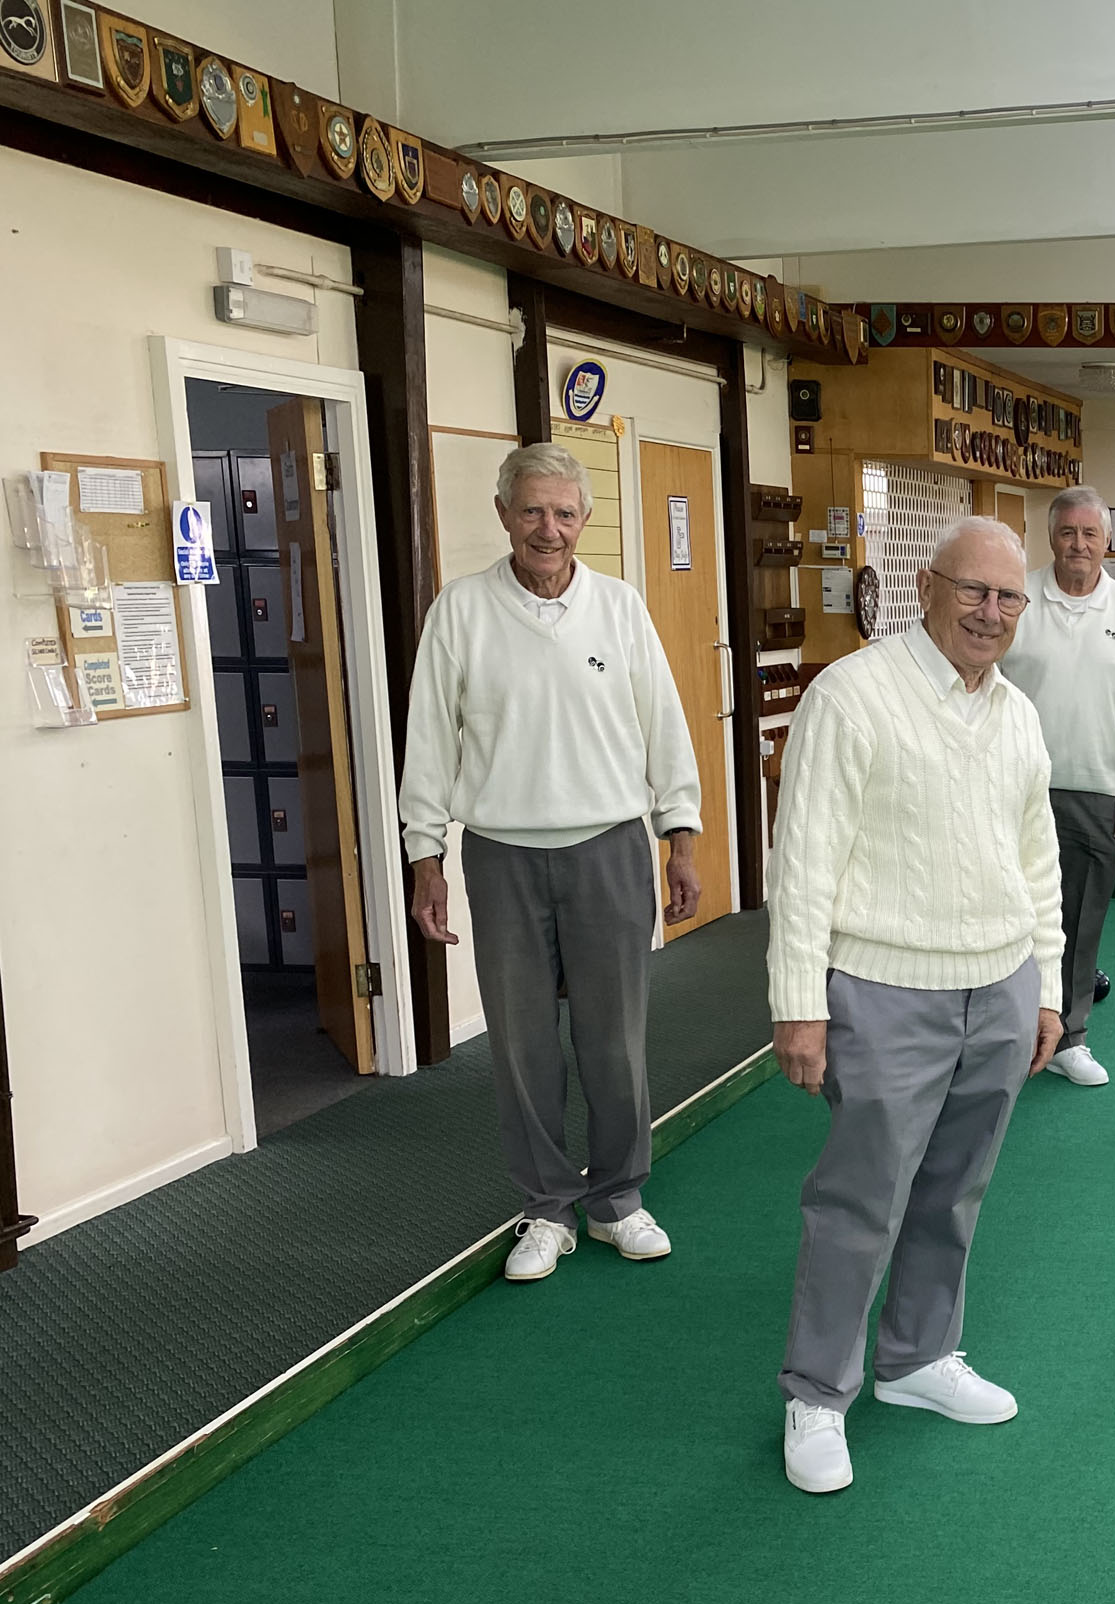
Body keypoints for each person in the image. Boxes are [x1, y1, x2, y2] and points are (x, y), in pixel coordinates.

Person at [767, 517, 1063, 1496]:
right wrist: (797, 1001)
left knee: (954, 1190)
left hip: (1001, 983)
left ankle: (917, 1359)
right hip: (885, 988)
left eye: (1007, 597)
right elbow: (804, 861)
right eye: (972, 591)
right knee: (859, 1201)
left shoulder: (1017, 712)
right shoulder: (850, 696)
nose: (990, 612)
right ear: (926, 588)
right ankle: (817, 1395)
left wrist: (1048, 989)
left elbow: (1037, 861)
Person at [401, 442, 702, 1283]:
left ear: (585, 520)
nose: (549, 528)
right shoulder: (459, 611)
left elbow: (665, 726)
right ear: (503, 514)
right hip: (501, 851)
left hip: (608, 846)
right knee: (523, 1043)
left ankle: (617, 1200)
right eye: (532, 510)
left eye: (564, 512)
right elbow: (428, 739)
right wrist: (425, 854)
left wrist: (681, 833)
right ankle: (543, 1208)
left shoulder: (620, 607)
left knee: (615, 1040)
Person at [998, 485, 1115, 1087]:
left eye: (1089, 534)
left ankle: (1070, 1037)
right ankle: (1005, 1035)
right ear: (1051, 538)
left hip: (1098, 790)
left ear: (1107, 541)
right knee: (1004, 914)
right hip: (1012, 788)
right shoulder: (1015, 601)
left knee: (1079, 921)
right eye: (1068, 532)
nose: (1078, 544)